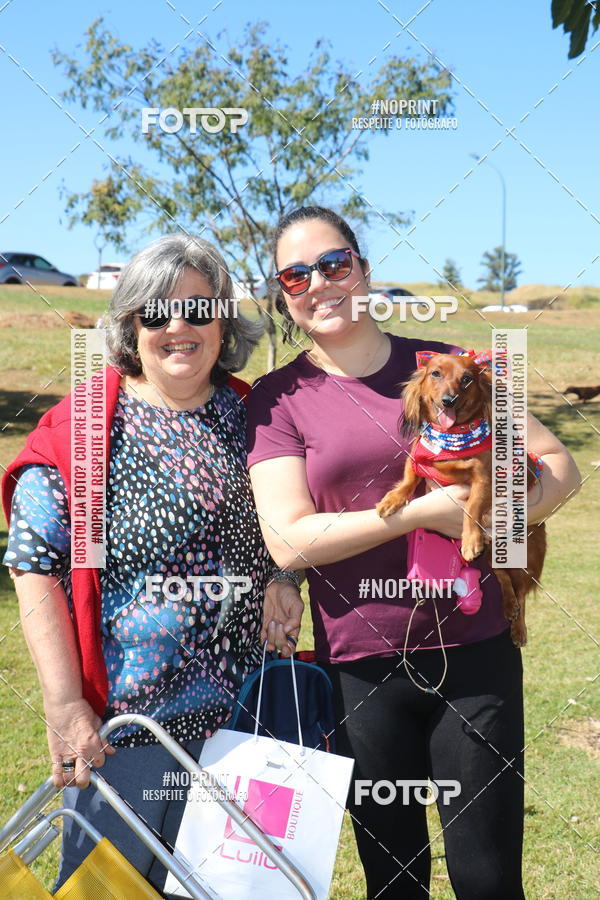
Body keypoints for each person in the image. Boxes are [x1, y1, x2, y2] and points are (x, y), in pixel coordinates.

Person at [246, 206, 581, 899]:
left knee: (488, 880)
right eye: (296, 274)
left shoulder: (447, 368)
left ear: (364, 271)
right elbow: (287, 536)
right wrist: (421, 513)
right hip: (361, 673)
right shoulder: (279, 400)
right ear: (284, 295)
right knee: (394, 884)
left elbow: (559, 465)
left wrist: (500, 514)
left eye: (335, 264)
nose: (320, 283)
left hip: (475, 655)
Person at [1, 234, 303, 896]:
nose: (178, 326)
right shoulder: (80, 428)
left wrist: (285, 579)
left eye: (199, 309)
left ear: (223, 323)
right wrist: (62, 702)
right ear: (130, 320)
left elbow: (293, 521)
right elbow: (33, 570)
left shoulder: (258, 417)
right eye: (157, 309)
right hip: (125, 737)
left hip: (246, 732)